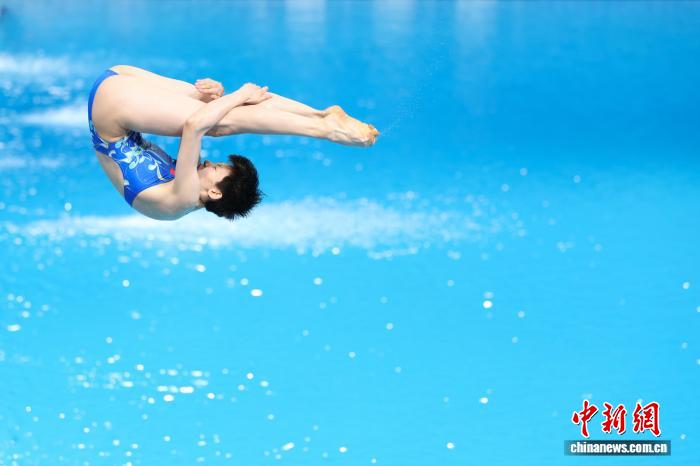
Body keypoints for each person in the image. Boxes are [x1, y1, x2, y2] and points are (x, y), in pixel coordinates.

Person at [88, 65, 379, 221]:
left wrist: (240, 94)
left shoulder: (183, 198)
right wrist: (217, 95)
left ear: (215, 192)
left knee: (220, 121)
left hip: (115, 96)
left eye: (217, 168)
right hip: (114, 94)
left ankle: (324, 127)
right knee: (218, 109)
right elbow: (199, 121)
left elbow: (194, 126)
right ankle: (319, 115)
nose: (209, 162)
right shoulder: (190, 191)